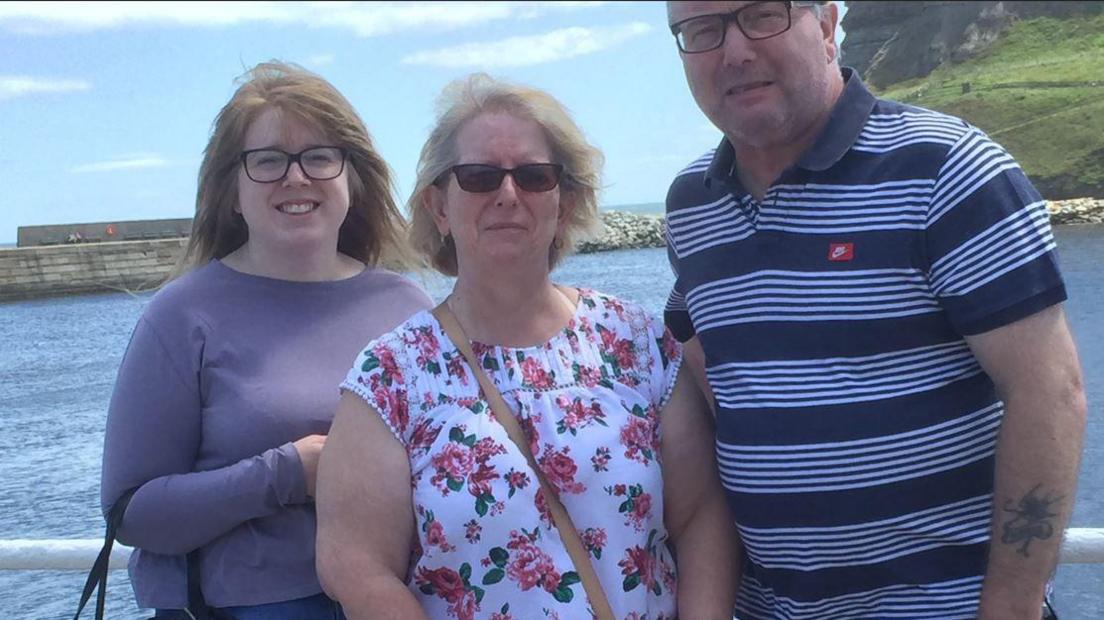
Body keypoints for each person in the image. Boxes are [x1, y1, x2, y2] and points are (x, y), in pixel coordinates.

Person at [663, 2, 1087, 619]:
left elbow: (1050, 393)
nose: (734, 51)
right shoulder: (690, 208)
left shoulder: (949, 169)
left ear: (828, 24)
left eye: (762, 15)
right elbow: (719, 392)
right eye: (702, 30)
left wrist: (1012, 608)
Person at [315, 73, 739, 620]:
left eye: (535, 177)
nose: (508, 195)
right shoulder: (392, 375)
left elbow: (701, 514)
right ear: (438, 207)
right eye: (479, 176)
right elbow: (353, 563)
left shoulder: (637, 344)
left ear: (565, 203)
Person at [99, 61, 433, 618]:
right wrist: (287, 473)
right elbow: (131, 513)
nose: (296, 178)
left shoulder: (407, 307)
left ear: (353, 177)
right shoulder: (182, 316)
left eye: (320, 156)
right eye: (268, 160)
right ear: (231, 190)